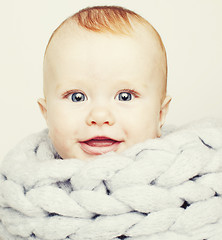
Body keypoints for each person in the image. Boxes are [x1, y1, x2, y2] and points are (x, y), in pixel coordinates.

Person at [37, 5, 171, 160]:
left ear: (160, 114)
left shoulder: (188, 172)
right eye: (77, 97)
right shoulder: (21, 176)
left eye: (125, 96)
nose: (100, 116)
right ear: (46, 113)